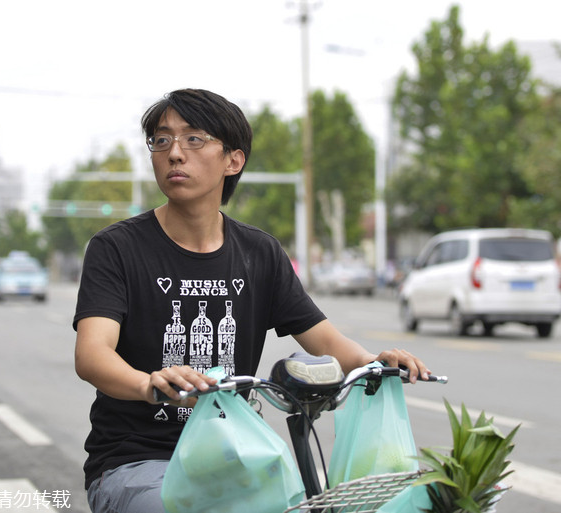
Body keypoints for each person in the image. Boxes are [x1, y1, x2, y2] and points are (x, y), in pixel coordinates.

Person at [73, 89, 431, 513]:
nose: (174, 153)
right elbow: (92, 355)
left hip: (232, 457)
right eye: (162, 140)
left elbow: (327, 342)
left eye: (194, 139)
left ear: (233, 160)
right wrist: (148, 385)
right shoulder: (116, 248)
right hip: (137, 460)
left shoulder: (259, 253)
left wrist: (375, 363)